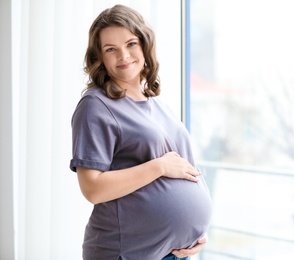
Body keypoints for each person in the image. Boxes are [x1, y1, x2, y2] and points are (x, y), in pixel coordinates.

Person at [69, 4, 213, 260]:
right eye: (110, 49)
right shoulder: (96, 105)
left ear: (145, 46)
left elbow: (187, 172)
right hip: (126, 253)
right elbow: (92, 188)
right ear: (99, 58)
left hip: (175, 253)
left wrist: (196, 232)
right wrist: (158, 167)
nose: (123, 55)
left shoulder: (157, 105)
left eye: (131, 43)